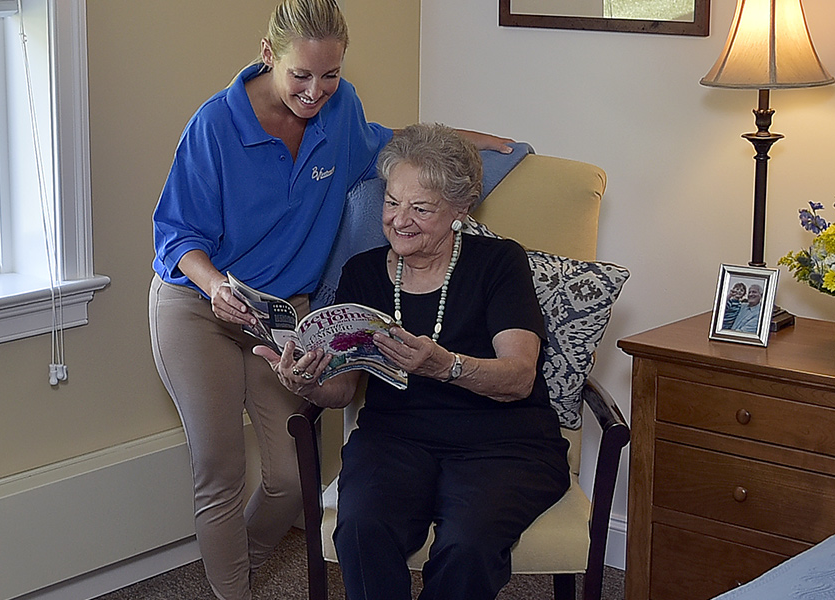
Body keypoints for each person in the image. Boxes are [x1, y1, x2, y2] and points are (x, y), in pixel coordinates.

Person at [148, 2, 512, 598]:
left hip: (282, 313)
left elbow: (394, 146)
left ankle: (248, 565)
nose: (316, 91)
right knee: (221, 470)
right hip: (199, 303)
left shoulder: (342, 111)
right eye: (301, 76)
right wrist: (216, 288)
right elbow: (177, 233)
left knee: (292, 477)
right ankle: (232, 591)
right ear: (268, 55)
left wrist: (477, 145)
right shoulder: (215, 125)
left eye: (330, 75)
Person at [257, 123, 567, 600]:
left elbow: (520, 376)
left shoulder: (499, 262)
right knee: (361, 528)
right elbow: (341, 392)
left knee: (468, 545)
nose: (400, 220)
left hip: (502, 443)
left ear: (459, 209)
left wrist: (445, 366)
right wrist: (304, 381)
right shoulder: (361, 274)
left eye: (420, 208)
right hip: (395, 438)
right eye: (391, 202)